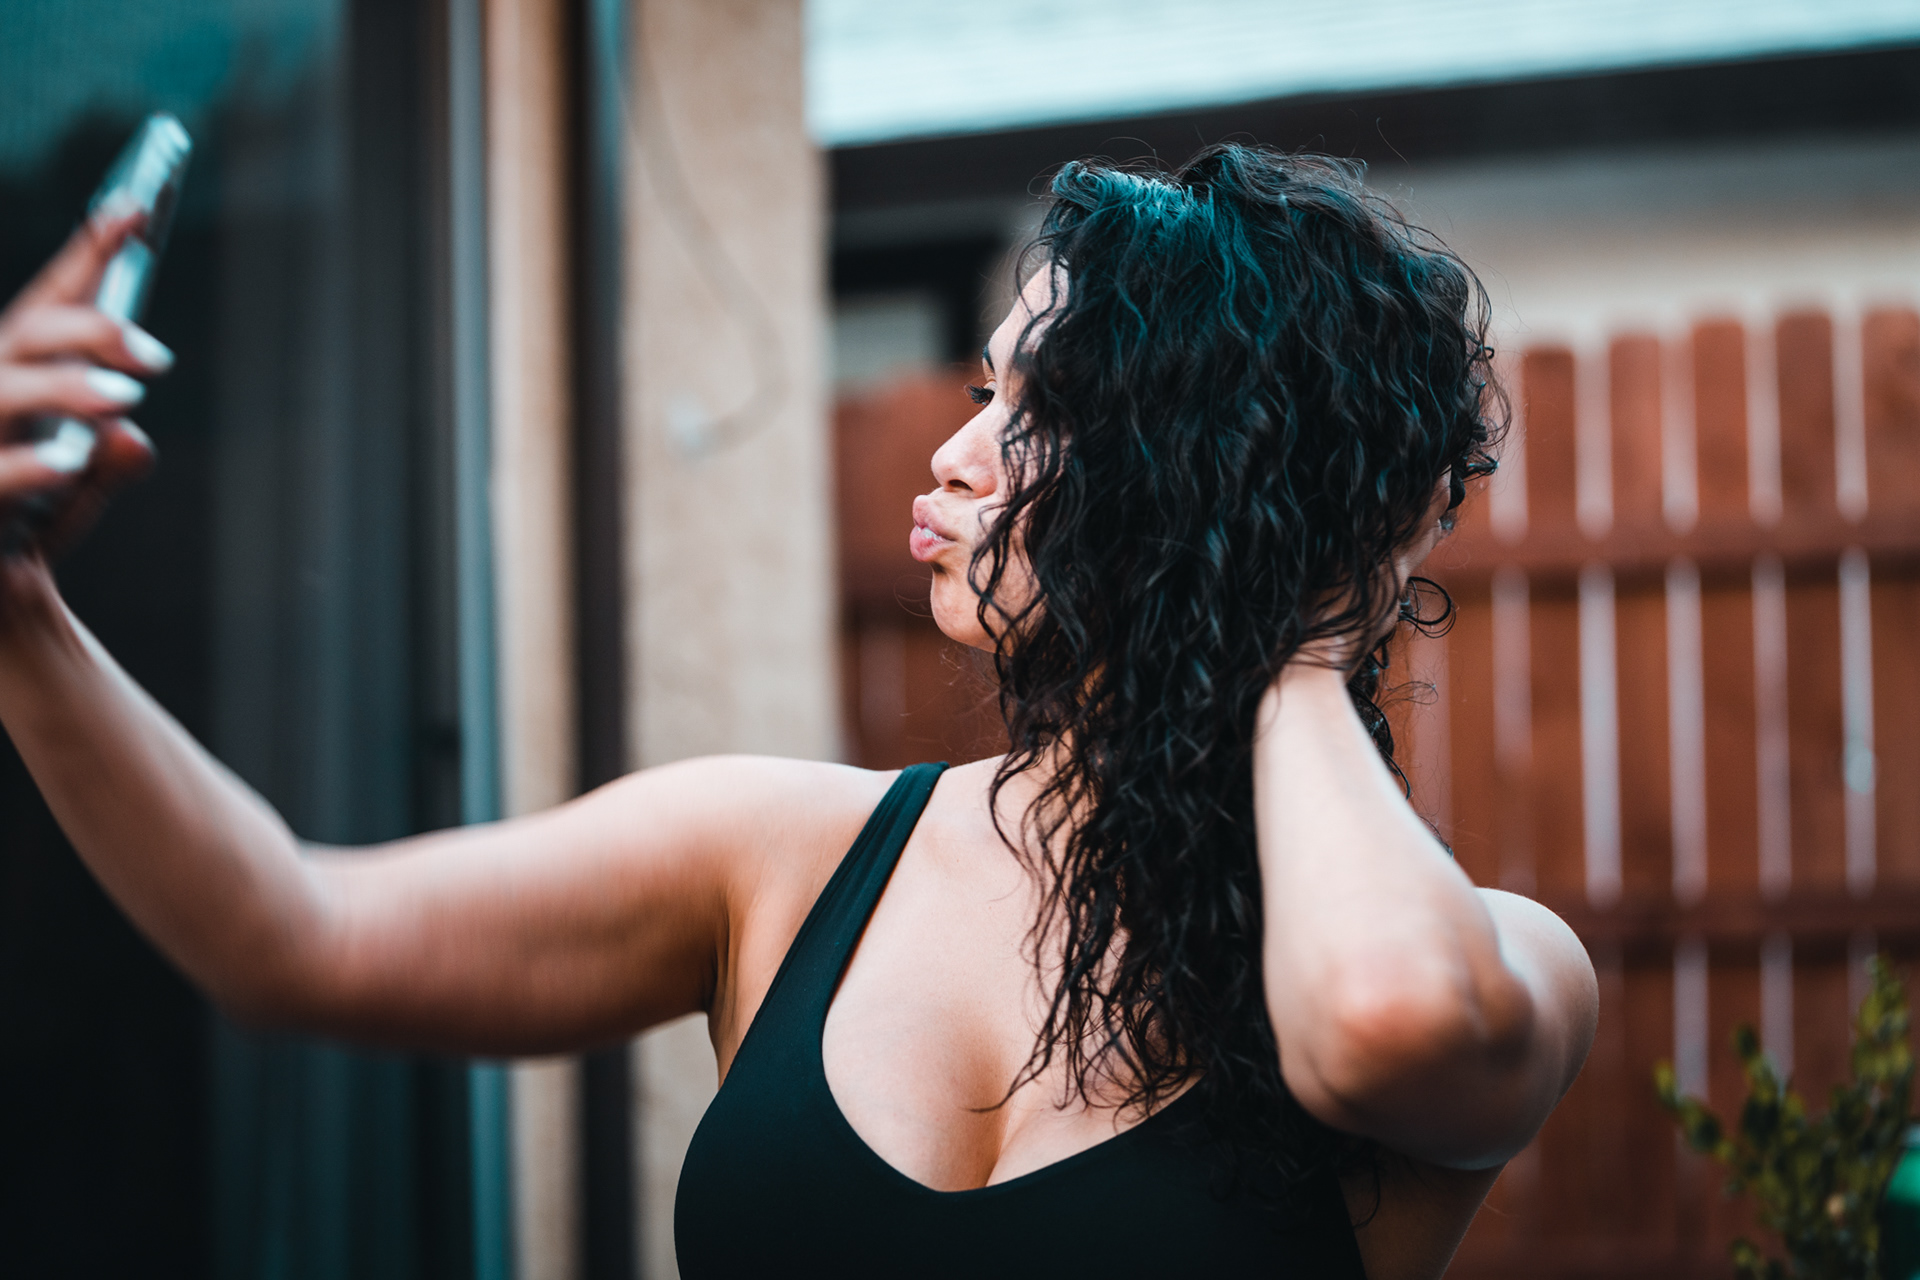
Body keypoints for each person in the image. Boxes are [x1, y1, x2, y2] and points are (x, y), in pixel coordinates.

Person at [0, 147, 1595, 1279]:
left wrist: (1299, 633)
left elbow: (1381, 1024)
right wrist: (16, 608)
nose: (956, 453)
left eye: (1041, 411)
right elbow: (287, 936)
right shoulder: (781, 855)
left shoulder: (1502, 968)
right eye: (984, 391)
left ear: (1218, 489)